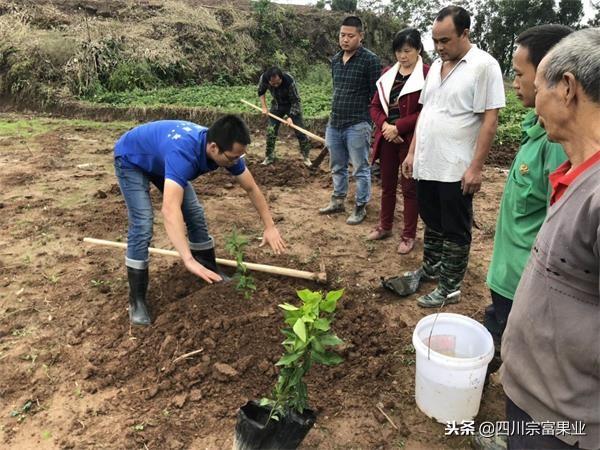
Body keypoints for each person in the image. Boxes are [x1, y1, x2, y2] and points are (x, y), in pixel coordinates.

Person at [500, 28, 600, 450]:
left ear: (567, 88)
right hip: (538, 407)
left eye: (538, 86)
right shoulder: (578, 173)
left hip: (564, 427)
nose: (532, 98)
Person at [114, 115, 286, 326]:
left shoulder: (225, 150)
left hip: (161, 157)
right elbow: (169, 210)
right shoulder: (183, 155)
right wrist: (187, 259)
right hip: (132, 158)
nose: (235, 162)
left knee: (194, 212)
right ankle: (137, 300)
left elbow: (251, 188)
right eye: (232, 157)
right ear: (214, 148)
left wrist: (269, 226)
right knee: (142, 223)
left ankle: (207, 267)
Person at [399, 6, 505, 307]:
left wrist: (476, 168)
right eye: (435, 40)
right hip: (427, 163)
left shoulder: (484, 66)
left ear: (465, 33)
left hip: (455, 167)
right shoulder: (434, 68)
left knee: (455, 227)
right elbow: (426, 113)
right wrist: (411, 152)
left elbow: (489, 120)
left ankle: (450, 286)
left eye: (445, 40)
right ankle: (432, 269)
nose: (439, 47)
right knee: (431, 220)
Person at [484, 24, 572, 355]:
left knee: (522, 360)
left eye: (522, 75)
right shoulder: (536, 128)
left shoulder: (559, 147)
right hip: (506, 276)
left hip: (526, 286)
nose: (516, 83)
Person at [367, 28, 429, 255]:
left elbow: (426, 111)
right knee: (388, 186)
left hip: (409, 140)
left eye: (407, 51)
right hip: (387, 139)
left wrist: (399, 127)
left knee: (410, 188)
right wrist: (384, 125)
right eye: (399, 52)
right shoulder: (387, 74)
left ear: (418, 50)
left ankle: (408, 235)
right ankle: (384, 226)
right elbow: (374, 106)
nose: (402, 56)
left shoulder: (427, 75)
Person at [319, 15, 381, 225]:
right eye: (342, 35)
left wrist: (371, 123)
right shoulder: (336, 60)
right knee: (337, 166)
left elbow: (375, 95)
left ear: (360, 36)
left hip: (357, 124)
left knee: (360, 168)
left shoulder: (370, 60)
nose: (345, 39)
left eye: (350, 36)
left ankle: (360, 206)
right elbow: (338, 89)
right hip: (335, 123)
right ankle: (337, 200)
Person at [257, 66, 313, 167]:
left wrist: (290, 116)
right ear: (269, 80)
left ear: (281, 78)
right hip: (277, 105)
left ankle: (306, 157)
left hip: (292, 105)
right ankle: (269, 156)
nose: (276, 85)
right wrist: (264, 107)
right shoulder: (263, 78)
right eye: (273, 84)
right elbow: (261, 92)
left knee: (300, 132)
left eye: (278, 82)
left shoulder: (289, 80)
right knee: (271, 131)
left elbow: (296, 100)